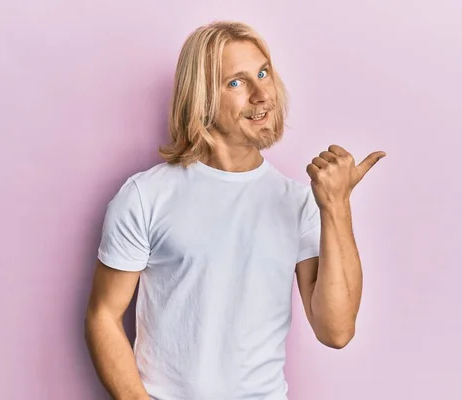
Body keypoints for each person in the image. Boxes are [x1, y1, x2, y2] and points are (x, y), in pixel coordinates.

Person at [84, 20, 386, 400]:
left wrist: (337, 206)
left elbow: (336, 330)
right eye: (237, 82)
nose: (262, 94)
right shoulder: (146, 196)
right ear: (202, 97)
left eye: (263, 73)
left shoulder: (298, 203)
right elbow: (103, 315)